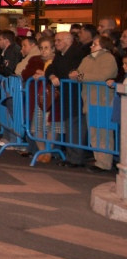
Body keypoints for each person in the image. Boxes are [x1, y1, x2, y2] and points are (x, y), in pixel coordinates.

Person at [71, 35, 118, 173]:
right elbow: (78, 73)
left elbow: (102, 76)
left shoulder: (108, 58)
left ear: (103, 46)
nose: (91, 46)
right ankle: (99, 158)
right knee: (94, 132)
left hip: (102, 99)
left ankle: (104, 162)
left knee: (102, 132)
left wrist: (79, 76)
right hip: (89, 99)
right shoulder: (87, 58)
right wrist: (76, 75)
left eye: (95, 44)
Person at [44, 31, 86, 167]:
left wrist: (57, 75)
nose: (56, 43)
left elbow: (67, 73)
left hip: (75, 95)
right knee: (69, 125)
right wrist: (51, 76)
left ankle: (75, 158)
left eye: (58, 41)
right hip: (65, 95)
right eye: (55, 41)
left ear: (68, 41)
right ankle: (70, 156)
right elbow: (51, 68)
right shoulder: (60, 55)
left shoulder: (76, 54)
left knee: (75, 126)